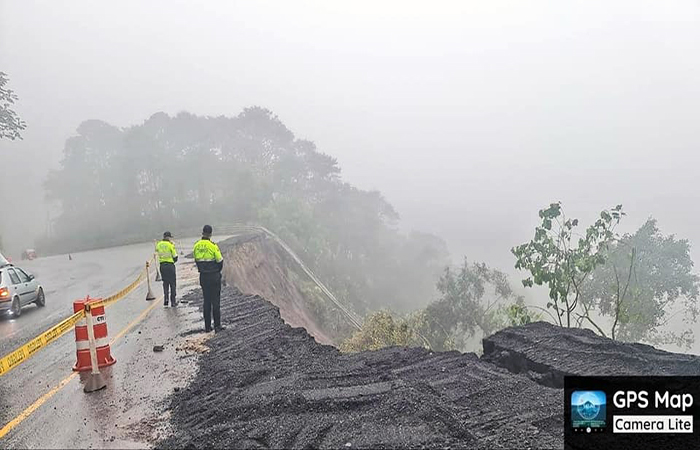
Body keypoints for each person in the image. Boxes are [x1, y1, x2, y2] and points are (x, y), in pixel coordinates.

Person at [193, 225, 224, 332]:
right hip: (214, 276)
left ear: (202, 232)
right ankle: (217, 326)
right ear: (210, 233)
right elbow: (220, 261)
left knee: (206, 301)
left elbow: (196, 260)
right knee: (215, 301)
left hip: (203, 277)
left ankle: (207, 327)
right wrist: (217, 271)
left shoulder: (196, 246)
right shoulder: (213, 246)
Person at [156, 231, 178, 307]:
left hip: (162, 266)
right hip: (170, 265)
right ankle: (173, 301)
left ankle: (166, 299)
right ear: (168, 237)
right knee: (172, 283)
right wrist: (173, 261)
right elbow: (175, 256)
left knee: (165, 283)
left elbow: (157, 252)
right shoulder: (170, 245)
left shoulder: (158, 244)